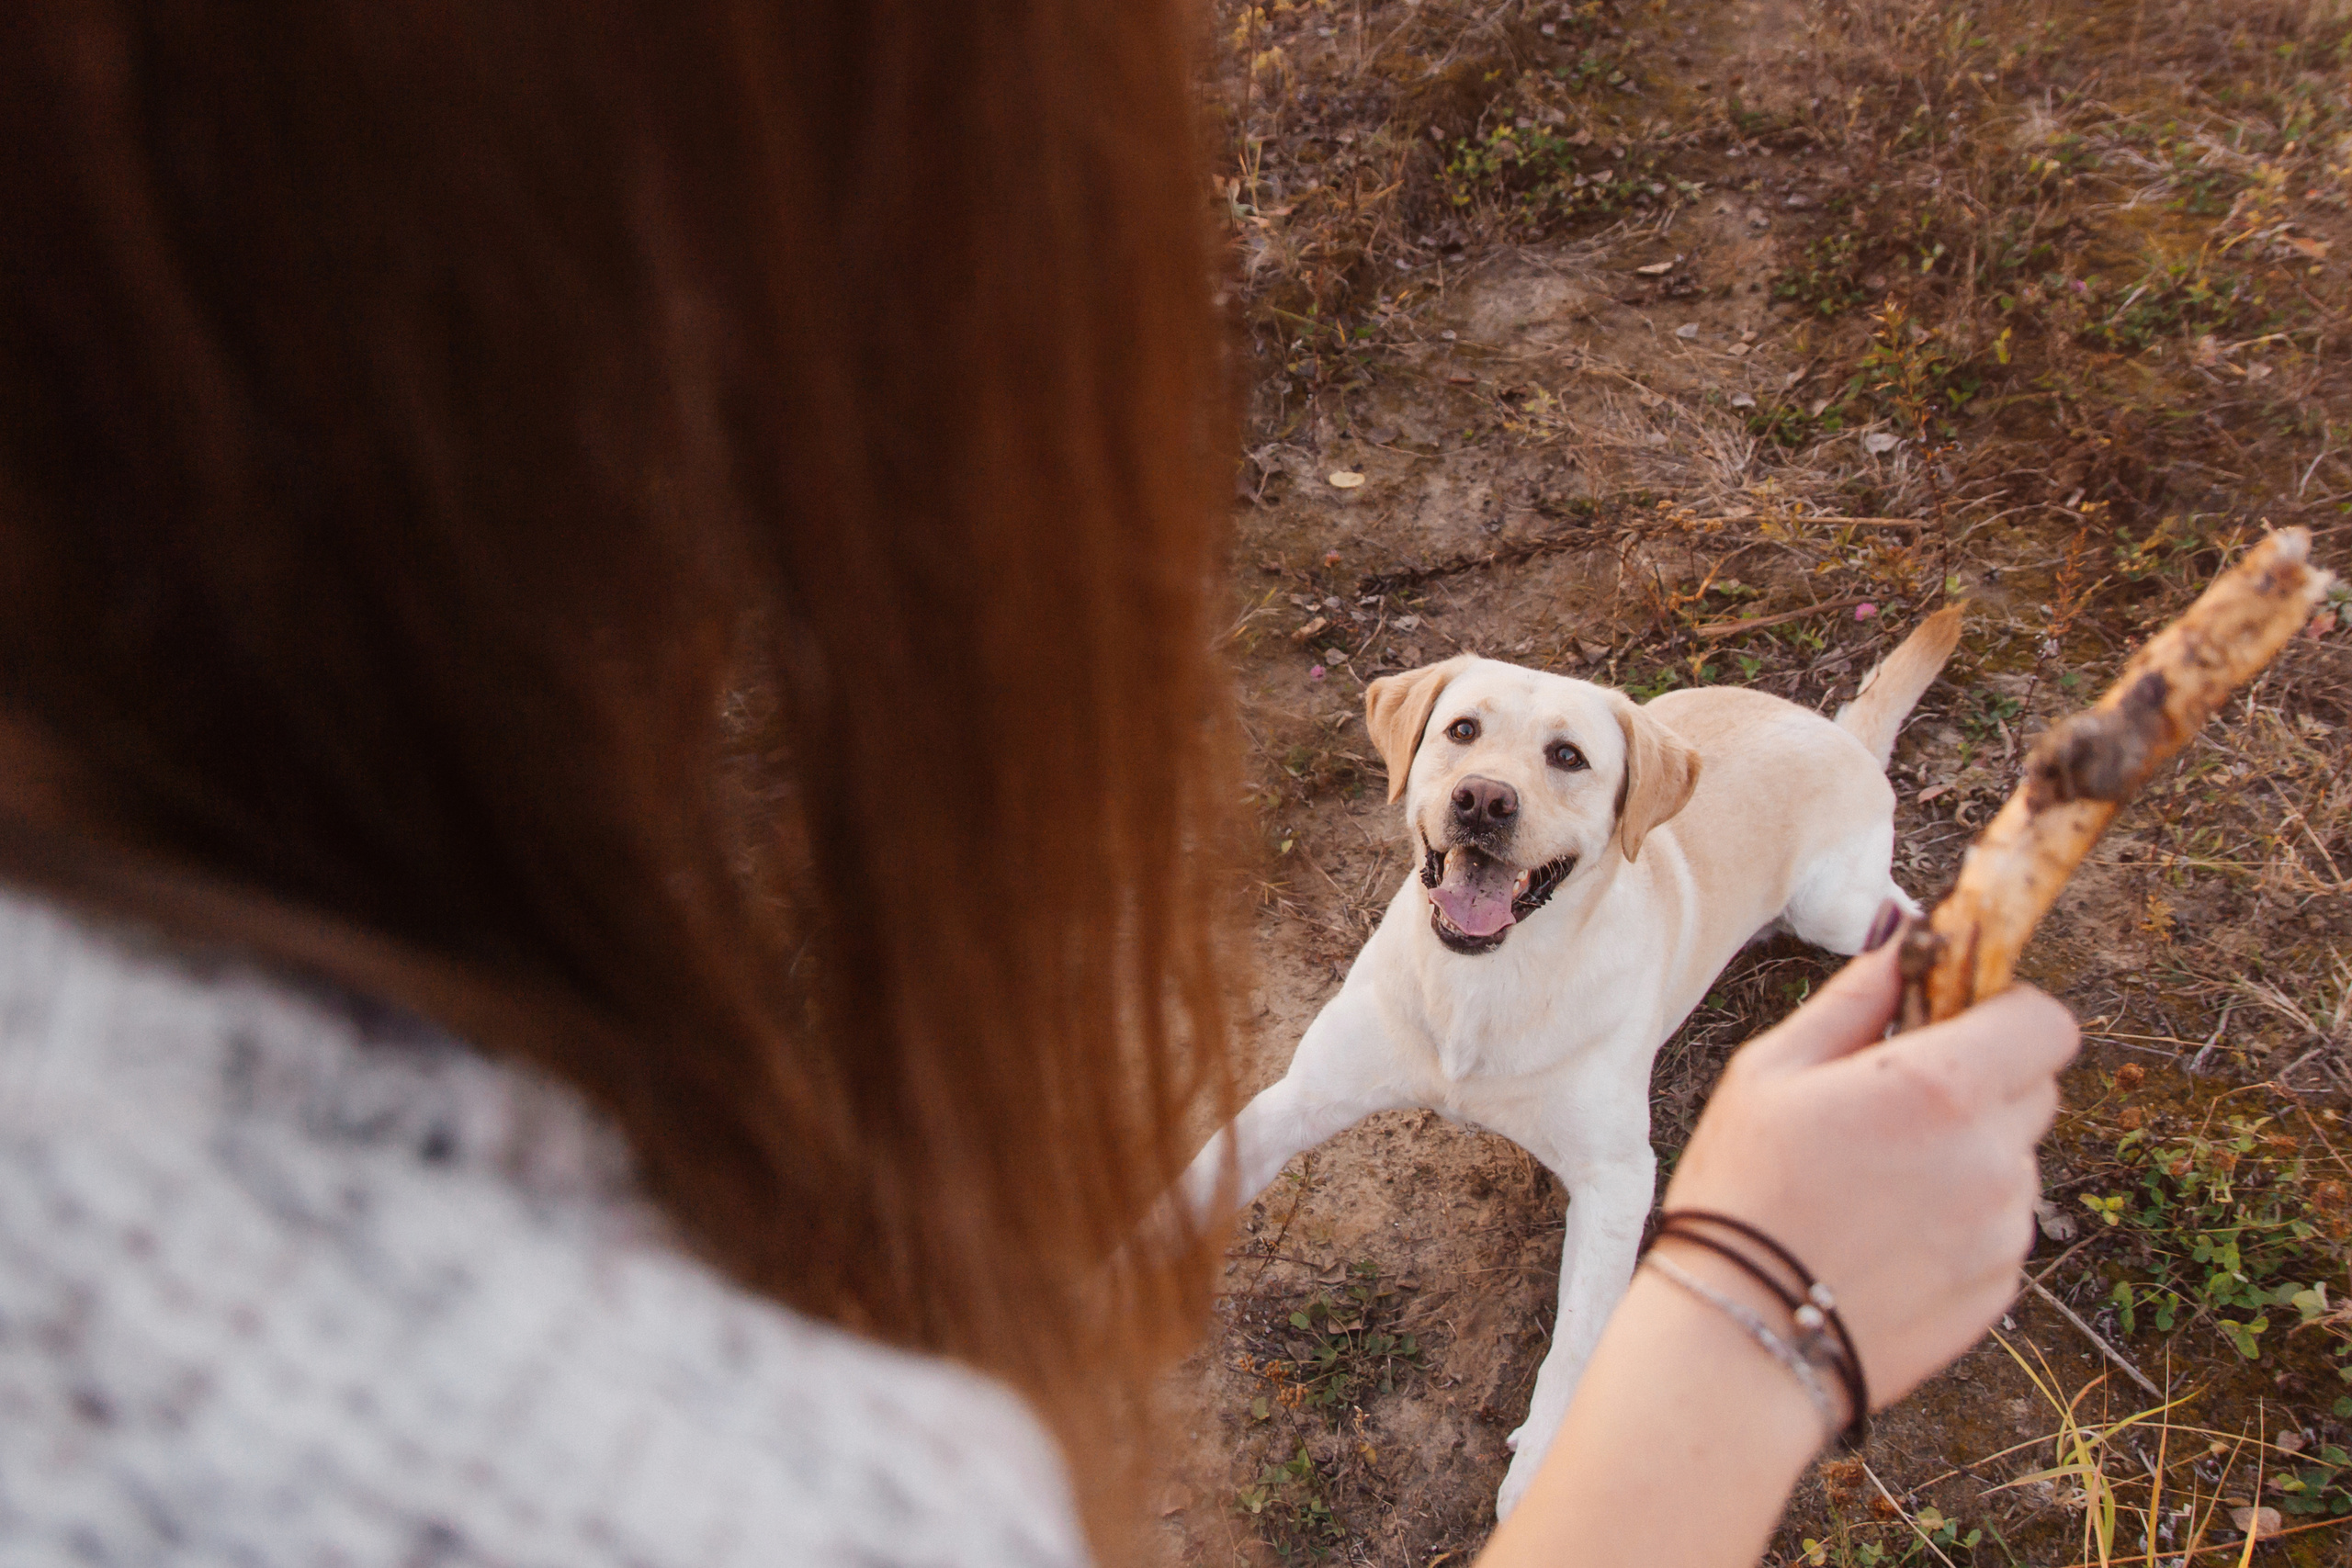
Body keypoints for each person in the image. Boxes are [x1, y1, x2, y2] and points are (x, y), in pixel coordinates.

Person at [0, 4, 2076, 1564]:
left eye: (1549, 766)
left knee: (1822, 919)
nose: (1485, 793)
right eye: (1461, 744)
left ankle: (1860, 891)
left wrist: (1564, 1446)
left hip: (1769, 820)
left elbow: (1617, 1154)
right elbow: (1275, 1108)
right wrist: (1741, 1346)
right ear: (1411, 750)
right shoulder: (792, 1484)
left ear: (1618, 807)